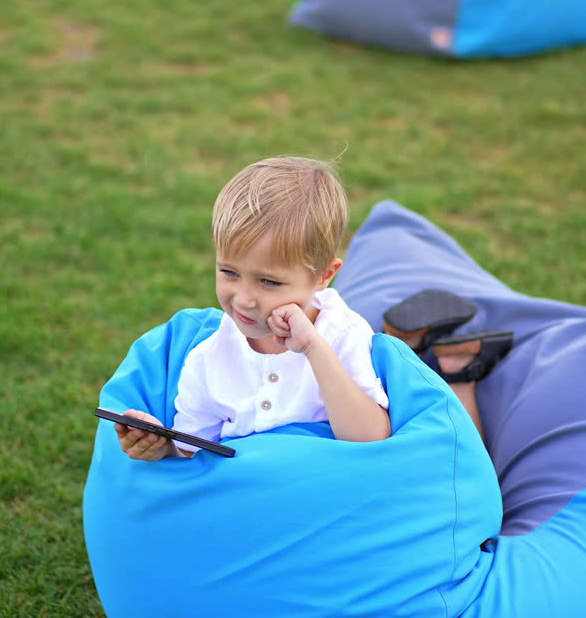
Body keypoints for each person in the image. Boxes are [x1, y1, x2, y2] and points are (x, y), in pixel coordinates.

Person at [116, 156, 391, 461]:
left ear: (324, 276)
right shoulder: (210, 357)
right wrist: (163, 447)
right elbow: (193, 453)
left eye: (269, 282)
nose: (244, 299)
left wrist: (314, 348)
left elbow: (371, 439)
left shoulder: (342, 334)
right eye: (229, 273)